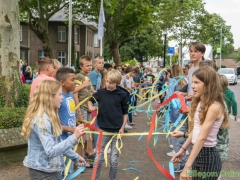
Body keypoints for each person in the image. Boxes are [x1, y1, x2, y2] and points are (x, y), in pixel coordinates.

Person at [22, 80, 86, 180]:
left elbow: (57, 143)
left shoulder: (49, 117)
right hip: (43, 171)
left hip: (50, 170)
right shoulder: (42, 120)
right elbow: (51, 151)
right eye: (60, 94)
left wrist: (75, 157)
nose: (62, 98)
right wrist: (74, 137)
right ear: (50, 97)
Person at [172, 67, 227, 180]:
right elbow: (196, 130)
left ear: (208, 84)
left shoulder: (214, 107)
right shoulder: (200, 103)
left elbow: (202, 138)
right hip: (197, 153)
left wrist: (187, 166)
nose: (192, 86)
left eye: (196, 82)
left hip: (207, 156)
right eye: (193, 82)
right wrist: (182, 150)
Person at [88, 69, 129, 180]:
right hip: (102, 130)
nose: (108, 85)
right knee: (98, 159)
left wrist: (122, 127)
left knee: (114, 160)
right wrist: (90, 106)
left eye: (111, 83)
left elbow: (125, 113)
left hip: (116, 131)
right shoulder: (101, 92)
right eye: (107, 82)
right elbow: (90, 99)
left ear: (117, 83)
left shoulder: (122, 95)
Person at [74, 55, 95, 161]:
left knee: (89, 131)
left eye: (91, 65)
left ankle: (88, 152)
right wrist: (79, 112)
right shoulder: (78, 76)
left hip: (88, 107)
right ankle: (81, 157)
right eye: (87, 66)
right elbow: (74, 93)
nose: (90, 67)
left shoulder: (87, 76)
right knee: (83, 132)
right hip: (81, 107)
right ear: (81, 66)